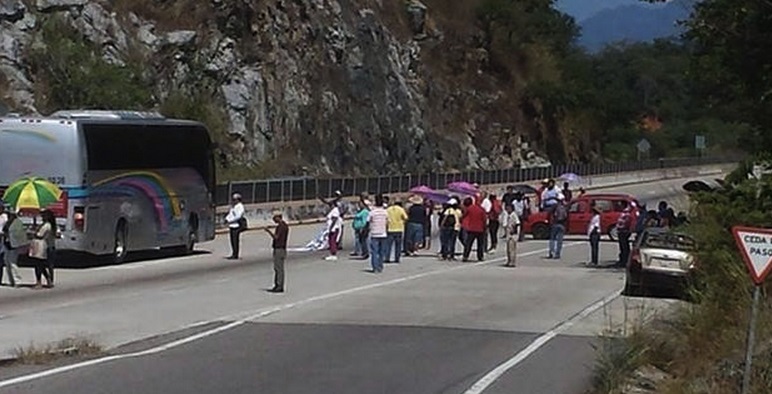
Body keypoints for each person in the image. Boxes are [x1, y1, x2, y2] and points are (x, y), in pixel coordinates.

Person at [31, 209, 57, 289]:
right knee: (40, 264)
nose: (42, 217)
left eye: (44, 215)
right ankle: (48, 279)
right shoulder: (46, 224)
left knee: (38, 264)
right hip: (40, 245)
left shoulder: (47, 225)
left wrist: (34, 232)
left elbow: (39, 235)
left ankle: (39, 282)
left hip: (41, 246)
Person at [264, 211, 289, 293]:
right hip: (282, 249)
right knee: (279, 268)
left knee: (278, 269)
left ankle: (279, 285)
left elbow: (276, 237)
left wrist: (268, 231)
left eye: (275, 218)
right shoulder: (285, 226)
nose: (273, 219)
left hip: (279, 249)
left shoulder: (281, 227)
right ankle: (278, 284)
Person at [1, 210, 25, 287]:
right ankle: (11, 280)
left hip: (14, 245)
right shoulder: (7, 222)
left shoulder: (17, 222)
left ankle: (17, 281)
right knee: (7, 263)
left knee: (13, 263)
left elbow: (18, 233)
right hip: (6, 244)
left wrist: (8, 234)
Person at [461, 197, 487, 262]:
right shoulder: (482, 209)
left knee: (468, 243)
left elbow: (464, 215)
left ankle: (465, 256)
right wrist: (485, 227)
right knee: (480, 244)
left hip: (471, 228)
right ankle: (480, 257)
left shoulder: (470, 208)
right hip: (480, 229)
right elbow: (484, 220)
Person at [368, 194, 389, 273]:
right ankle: (380, 266)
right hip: (383, 233)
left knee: (374, 251)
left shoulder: (372, 212)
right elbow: (387, 222)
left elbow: (368, 221)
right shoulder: (385, 212)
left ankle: (375, 267)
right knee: (381, 252)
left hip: (374, 233)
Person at [384, 198, 407, 263]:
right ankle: (397, 258)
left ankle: (387, 257)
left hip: (390, 228)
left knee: (388, 245)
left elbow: (385, 218)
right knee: (398, 245)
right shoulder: (401, 209)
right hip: (399, 228)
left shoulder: (388, 210)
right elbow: (405, 217)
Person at [224, 193, 246, 260]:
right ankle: (233, 253)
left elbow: (238, 216)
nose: (233, 201)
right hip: (232, 225)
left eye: (234, 199)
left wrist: (230, 220)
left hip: (236, 225)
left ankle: (235, 254)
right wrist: (227, 219)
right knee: (232, 240)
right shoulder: (234, 206)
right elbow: (230, 214)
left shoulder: (240, 206)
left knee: (235, 240)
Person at [615, 201, 635, 268]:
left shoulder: (626, 213)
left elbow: (627, 221)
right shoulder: (624, 212)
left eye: (620, 205)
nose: (619, 206)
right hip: (621, 231)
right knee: (623, 246)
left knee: (624, 247)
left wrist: (626, 229)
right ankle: (623, 260)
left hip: (624, 231)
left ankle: (624, 261)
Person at [548, 194, 567, 259]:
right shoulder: (564, 206)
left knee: (552, 239)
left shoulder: (555, 206)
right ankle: (557, 254)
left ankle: (552, 252)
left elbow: (549, 213)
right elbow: (566, 216)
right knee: (560, 240)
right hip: (562, 224)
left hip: (555, 223)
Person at [504, 203, 520, 267]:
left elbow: (517, 223)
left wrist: (514, 231)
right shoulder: (508, 215)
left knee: (512, 249)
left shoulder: (514, 215)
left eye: (509, 208)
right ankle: (509, 260)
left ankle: (512, 262)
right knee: (508, 249)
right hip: (508, 234)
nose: (508, 209)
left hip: (513, 234)